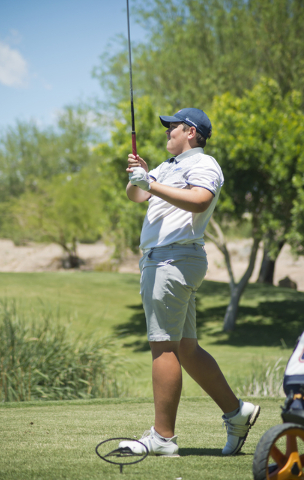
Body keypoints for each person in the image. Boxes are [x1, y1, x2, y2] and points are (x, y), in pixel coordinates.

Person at [119, 108, 260, 457]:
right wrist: (141, 177)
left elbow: (201, 200)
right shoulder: (167, 168)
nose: (167, 131)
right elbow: (136, 196)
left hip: (173, 259)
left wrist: (149, 182)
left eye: (173, 127)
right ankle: (237, 413)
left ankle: (163, 438)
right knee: (186, 349)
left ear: (191, 132)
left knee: (163, 346)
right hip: (167, 260)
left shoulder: (204, 163)